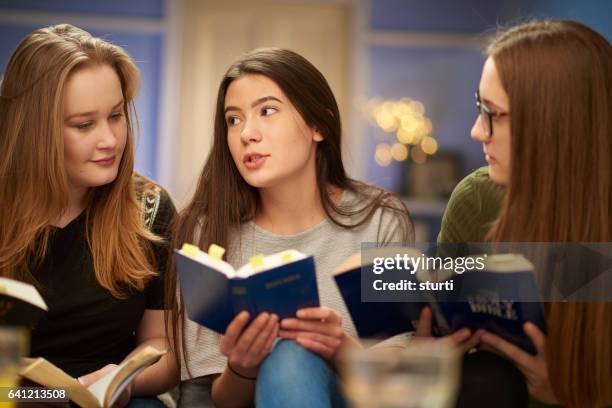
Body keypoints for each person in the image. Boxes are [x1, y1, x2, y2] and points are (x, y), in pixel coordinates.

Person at [170, 47, 416, 407]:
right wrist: (242, 367)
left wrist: (338, 347)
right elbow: (210, 400)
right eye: (233, 120)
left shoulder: (381, 219)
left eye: (267, 111)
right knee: (287, 357)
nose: (246, 134)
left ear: (319, 125)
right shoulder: (204, 232)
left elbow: (393, 380)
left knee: (291, 354)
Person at [0, 24, 179, 407]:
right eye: (84, 125)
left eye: (116, 116)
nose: (110, 140)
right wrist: (33, 397)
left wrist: (123, 381)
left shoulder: (149, 209)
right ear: (33, 130)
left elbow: (162, 344)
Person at [447, 20, 610, 408]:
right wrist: (430, 351)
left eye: (494, 114)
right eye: (478, 108)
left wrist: (574, 398)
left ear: (553, 122)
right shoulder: (477, 198)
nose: (476, 131)